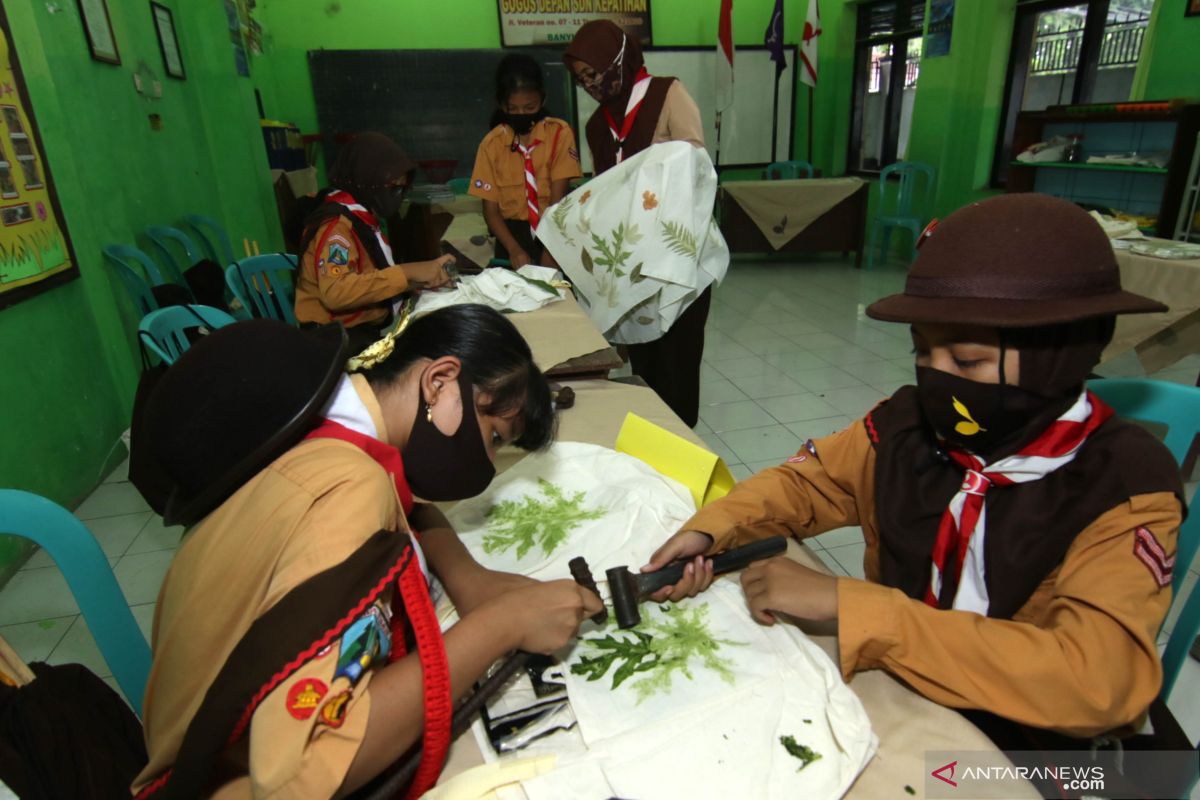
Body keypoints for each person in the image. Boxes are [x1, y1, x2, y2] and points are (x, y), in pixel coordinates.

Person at [644, 194, 1185, 744]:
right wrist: (712, 526)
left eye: (966, 362)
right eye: (923, 354)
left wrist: (855, 607)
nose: (937, 380)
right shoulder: (905, 428)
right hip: (914, 688)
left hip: (1044, 740)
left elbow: (1095, 680)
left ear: (1058, 356)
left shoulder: (1125, 488)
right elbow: (808, 482)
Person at [131, 306, 602, 798]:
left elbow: (406, 503)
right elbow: (301, 772)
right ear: (439, 382)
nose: (484, 464)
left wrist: (469, 578)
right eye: (493, 438)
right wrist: (500, 624)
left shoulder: (326, 424)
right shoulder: (350, 492)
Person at [563, 21, 711, 427]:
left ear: (616, 62)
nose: (590, 85)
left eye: (593, 74)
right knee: (645, 361)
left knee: (678, 362)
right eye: (581, 80)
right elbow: (604, 194)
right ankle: (653, 439)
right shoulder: (596, 126)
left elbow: (696, 168)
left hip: (678, 262)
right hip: (631, 267)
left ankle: (682, 443)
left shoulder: (668, 94)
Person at [294, 132, 456, 352]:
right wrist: (406, 272)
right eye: (391, 187)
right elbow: (336, 292)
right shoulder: (337, 230)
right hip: (335, 342)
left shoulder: (363, 217)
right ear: (365, 179)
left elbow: (370, 276)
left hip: (363, 327)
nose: (397, 195)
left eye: (401, 188)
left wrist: (419, 280)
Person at [469, 54, 581, 268]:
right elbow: (491, 211)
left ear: (542, 100)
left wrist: (551, 248)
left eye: (530, 108)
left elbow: (558, 204)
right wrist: (514, 250)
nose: (521, 114)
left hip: (552, 230)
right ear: (502, 105)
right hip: (510, 238)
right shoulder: (491, 145)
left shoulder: (559, 134)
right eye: (513, 109)